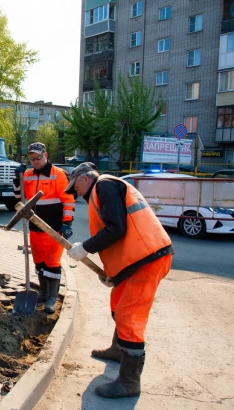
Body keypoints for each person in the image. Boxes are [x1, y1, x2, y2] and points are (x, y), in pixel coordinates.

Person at [64, 162, 173, 398]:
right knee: (117, 304)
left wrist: (85, 247)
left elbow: (116, 229)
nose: (76, 193)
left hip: (147, 259)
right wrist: (114, 273)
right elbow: (120, 236)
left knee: (129, 316)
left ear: (84, 179)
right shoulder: (102, 190)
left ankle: (129, 382)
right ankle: (117, 350)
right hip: (135, 261)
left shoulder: (104, 186)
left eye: (76, 188)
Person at [13, 142, 75, 314]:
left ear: (45, 155)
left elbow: (68, 201)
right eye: (32, 159)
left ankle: (52, 297)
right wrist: (16, 179)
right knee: (39, 261)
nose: (35, 161)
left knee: (52, 262)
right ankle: (43, 291)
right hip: (35, 226)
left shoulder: (58, 175)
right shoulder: (27, 174)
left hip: (53, 227)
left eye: (38, 158)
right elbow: (18, 198)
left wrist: (67, 222)